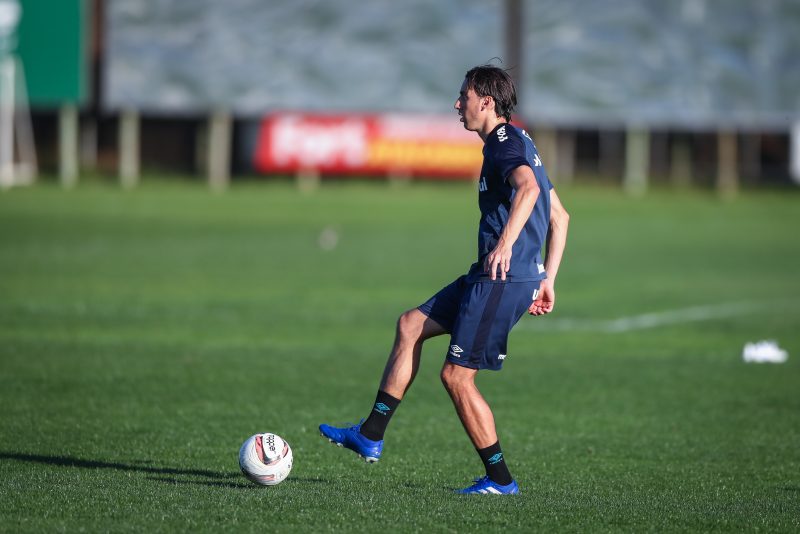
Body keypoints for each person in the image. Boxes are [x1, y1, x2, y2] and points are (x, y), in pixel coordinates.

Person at [320, 64, 570, 495]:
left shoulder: (503, 143)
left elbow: (529, 190)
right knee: (410, 324)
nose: (458, 105)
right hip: (496, 274)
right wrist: (548, 276)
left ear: (486, 102)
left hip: (501, 278)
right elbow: (560, 216)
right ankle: (371, 434)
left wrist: (508, 245)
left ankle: (499, 481)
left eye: (464, 97)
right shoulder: (521, 140)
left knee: (457, 376)